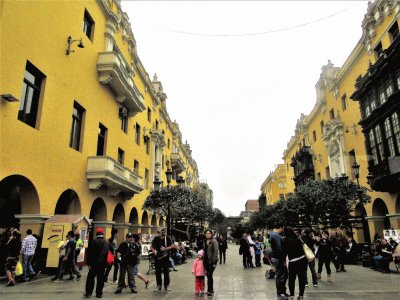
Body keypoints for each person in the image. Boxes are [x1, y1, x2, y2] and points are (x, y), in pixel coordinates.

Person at [282, 226, 307, 300]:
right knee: (302, 279)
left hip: (293, 262)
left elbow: (284, 253)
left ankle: (291, 295)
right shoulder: (298, 238)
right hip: (302, 261)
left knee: (291, 279)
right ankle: (301, 296)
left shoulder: (285, 240)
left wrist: (283, 261)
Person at [84, 228, 108, 298]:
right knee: (100, 279)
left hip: (93, 264)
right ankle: (99, 293)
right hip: (101, 264)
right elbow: (104, 253)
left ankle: (88, 293)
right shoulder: (105, 242)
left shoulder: (93, 241)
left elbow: (89, 253)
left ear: (96, 234)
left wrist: (89, 263)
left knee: (90, 278)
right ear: (102, 234)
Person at [151, 227, 177, 292]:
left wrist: (165, 248)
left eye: (158, 232)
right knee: (158, 272)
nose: (157, 233)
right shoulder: (156, 238)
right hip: (157, 257)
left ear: (162, 232)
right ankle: (158, 286)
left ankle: (166, 286)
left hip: (165, 257)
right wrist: (154, 251)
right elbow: (151, 246)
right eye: (157, 232)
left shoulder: (167, 238)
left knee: (166, 272)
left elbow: (173, 246)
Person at [270, 224, 288, 299]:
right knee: (279, 275)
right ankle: (280, 293)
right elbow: (279, 248)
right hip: (278, 258)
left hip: (277, 258)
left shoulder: (273, 234)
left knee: (285, 274)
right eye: (283, 229)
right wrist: (283, 259)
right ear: (280, 228)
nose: (283, 230)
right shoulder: (276, 235)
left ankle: (283, 291)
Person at [203, 229, 219, 296]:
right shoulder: (205, 241)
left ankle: (211, 290)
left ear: (211, 234)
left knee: (209, 275)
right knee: (208, 276)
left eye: (209, 233)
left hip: (211, 261)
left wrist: (214, 262)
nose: (207, 234)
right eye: (206, 233)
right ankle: (209, 290)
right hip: (206, 261)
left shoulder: (214, 241)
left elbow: (216, 252)